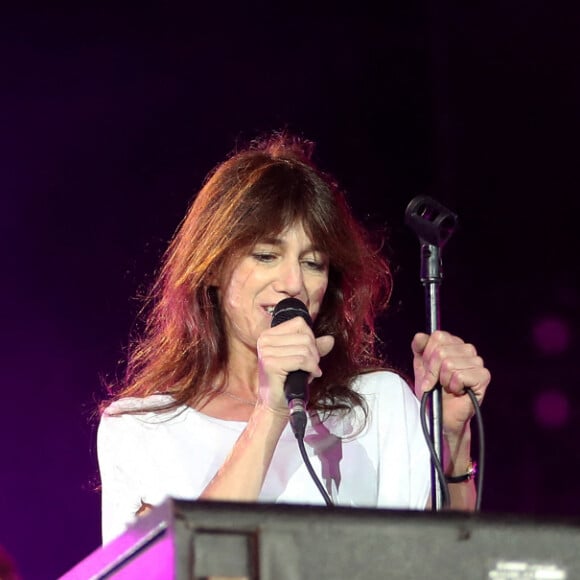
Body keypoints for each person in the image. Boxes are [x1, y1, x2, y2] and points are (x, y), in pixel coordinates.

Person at [97, 131, 491, 545]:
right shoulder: (140, 428)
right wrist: (271, 411)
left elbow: (444, 560)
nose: (293, 283)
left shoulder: (378, 403)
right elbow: (186, 567)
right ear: (211, 268)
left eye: (312, 263)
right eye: (266, 256)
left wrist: (451, 440)